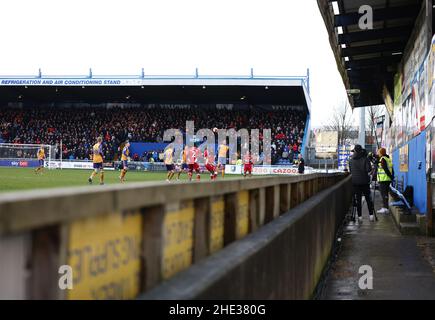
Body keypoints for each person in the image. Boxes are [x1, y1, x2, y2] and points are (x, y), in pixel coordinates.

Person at [348, 144, 375, 222]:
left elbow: (351, 171)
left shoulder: (351, 160)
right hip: (365, 182)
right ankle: (371, 216)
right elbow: (368, 170)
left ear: (355, 151)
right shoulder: (365, 159)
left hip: (355, 183)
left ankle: (359, 217)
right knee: (368, 199)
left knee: (358, 200)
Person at [376, 147, 394, 214]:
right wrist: (392, 177)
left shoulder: (383, 159)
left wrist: (390, 176)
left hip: (383, 179)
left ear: (381, 153)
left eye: (379, 152)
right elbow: (391, 169)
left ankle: (385, 208)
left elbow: (385, 169)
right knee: (385, 194)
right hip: (387, 179)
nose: (378, 153)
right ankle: (386, 208)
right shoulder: (388, 158)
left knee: (383, 194)